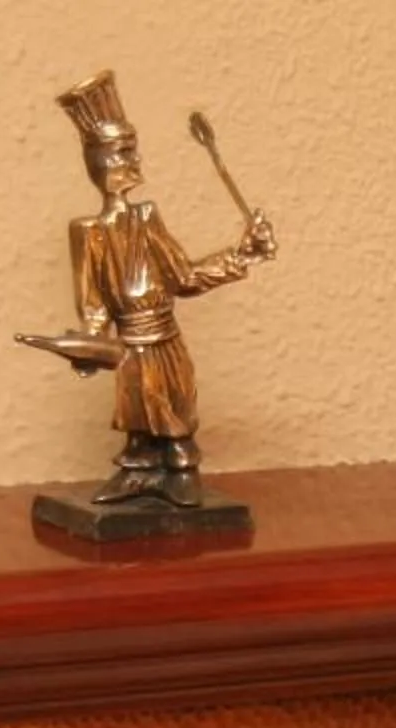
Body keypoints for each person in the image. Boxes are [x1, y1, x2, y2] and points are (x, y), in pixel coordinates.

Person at [42, 72, 276, 509]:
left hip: (164, 337)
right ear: (96, 162)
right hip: (130, 344)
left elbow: (183, 277)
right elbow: (93, 305)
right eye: (120, 152)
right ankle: (140, 471)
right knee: (138, 412)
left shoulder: (147, 217)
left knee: (173, 407)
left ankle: (181, 470)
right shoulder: (87, 232)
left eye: (132, 149)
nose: (132, 160)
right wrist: (88, 348)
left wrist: (243, 255)